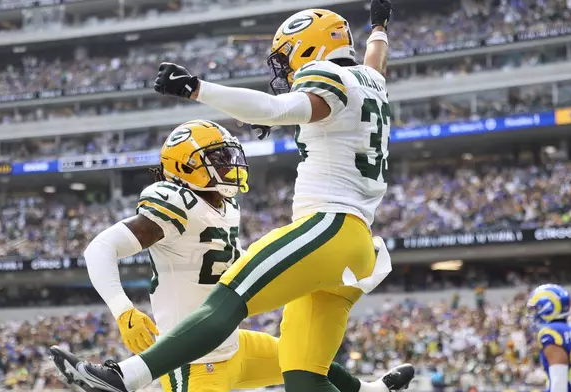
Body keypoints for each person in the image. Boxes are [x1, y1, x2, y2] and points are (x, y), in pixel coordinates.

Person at [50, 2, 415, 392]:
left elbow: (275, 107)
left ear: (309, 49)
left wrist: (196, 88)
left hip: (327, 227)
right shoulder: (372, 82)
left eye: (288, 58)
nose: (286, 71)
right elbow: (375, 63)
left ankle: (125, 377)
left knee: (229, 299)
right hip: (357, 244)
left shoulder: (329, 77)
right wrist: (378, 27)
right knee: (304, 376)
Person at [51, 119, 407, 392]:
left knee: (302, 354)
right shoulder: (175, 200)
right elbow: (100, 247)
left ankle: (368, 389)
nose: (229, 165)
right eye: (218, 159)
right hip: (192, 358)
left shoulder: (226, 205)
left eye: (229, 156)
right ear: (185, 167)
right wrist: (123, 309)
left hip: (233, 345)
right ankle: (119, 377)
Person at [527, 284, 571, 392]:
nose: (534, 313)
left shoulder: (551, 332)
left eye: (537, 308)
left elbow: (559, 381)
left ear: (548, 308)